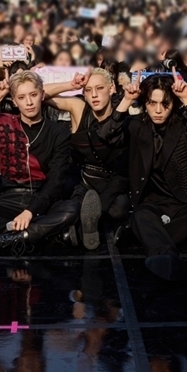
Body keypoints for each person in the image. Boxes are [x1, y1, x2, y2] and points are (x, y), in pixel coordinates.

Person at [95, 69, 187, 283]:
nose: (158, 110)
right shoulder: (138, 125)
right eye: (151, 103)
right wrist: (126, 101)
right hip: (152, 201)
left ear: (172, 104)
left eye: (164, 104)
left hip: (186, 199)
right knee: (141, 216)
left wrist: (186, 99)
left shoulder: (183, 123)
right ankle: (174, 262)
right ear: (145, 103)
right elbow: (106, 135)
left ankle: (144, 238)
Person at [0, 70, 79, 254]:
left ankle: (0, 240)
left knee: (71, 210)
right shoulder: (5, 123)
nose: (29, 102)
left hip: (42, 198)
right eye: (22, 97)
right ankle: (47, 235)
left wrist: (30, 211)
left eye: (33, 95)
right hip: (8, 197)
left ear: (42, 94)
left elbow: (55, 180)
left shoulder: (59, 132)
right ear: (15, 101)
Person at [43, 68, 128, 250]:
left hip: (112, 182)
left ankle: (87, 226)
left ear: (111, 88)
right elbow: (38, 94)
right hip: (82, 180)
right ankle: (83, 227)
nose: (94, 95)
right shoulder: (79, 108)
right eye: (88, 90)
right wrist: (70, 85)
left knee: (118, 208)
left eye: (99, 88)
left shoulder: (123, 113)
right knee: (73, 207)